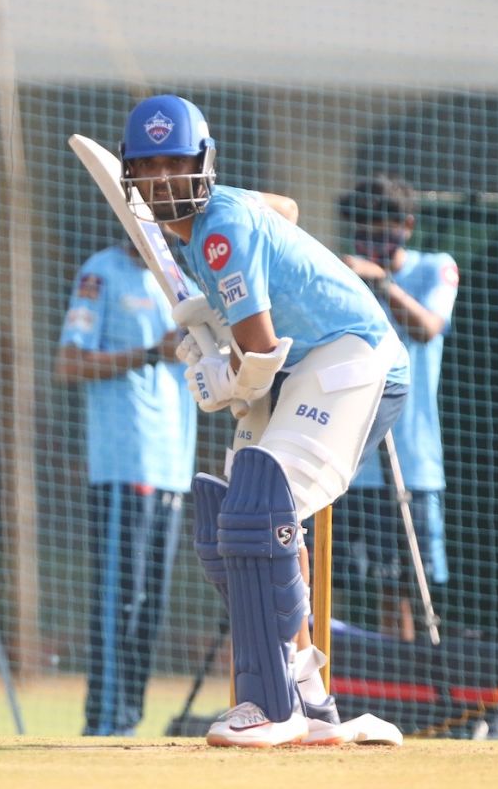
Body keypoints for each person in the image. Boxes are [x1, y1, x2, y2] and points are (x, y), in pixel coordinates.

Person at [118, 94, 410, 747]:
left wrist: (219, 376)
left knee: (258, 505)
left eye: (175, 163)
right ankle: (308, 699)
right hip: (308, 362)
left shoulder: (217, 232)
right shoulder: (211, 220)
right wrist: (208, 337)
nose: (162, 179)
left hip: (355, 355)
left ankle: (268, 704)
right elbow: (286, 209)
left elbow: (258, 350)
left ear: (203, 163)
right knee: (233, 515)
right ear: (130, 176)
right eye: (147, 166)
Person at [54, 238, 197, 737]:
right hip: (124, 462)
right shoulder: (100, 272)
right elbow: (68, 363)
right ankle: (105, 723)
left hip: (173, 468)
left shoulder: (184, 279)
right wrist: (147, 354)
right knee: (122, 599)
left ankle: (128, 721)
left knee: (151, 605)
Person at [339, 174, 459, 641]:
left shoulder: (435, 268)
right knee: (346, 586)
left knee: (411, 591)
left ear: (406, 225)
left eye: (380, 227)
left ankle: (413, 697)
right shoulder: (343, 275)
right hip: (352, 461)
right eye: (361, 229)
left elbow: (428, 327)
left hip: (413, 464)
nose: (369, 239)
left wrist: (382, 284)